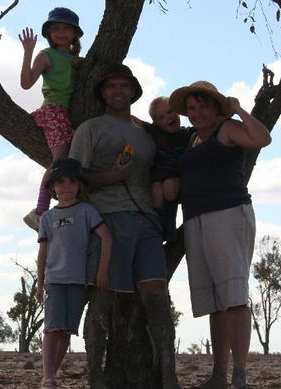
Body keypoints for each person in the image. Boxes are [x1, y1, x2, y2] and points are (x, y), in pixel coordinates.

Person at [69, 63, 181, 389]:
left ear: (133, 91)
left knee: (158, 297)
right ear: (103, 93)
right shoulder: (90, 129)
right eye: (111, 87)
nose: (118, 91)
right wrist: (111, 177)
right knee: (102, 299)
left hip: (148, 222)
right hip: (109, 221)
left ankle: (168, 375)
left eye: (124, 86)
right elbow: (74, 177)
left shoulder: (147, 133)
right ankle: (96, 377)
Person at [169, 81, 271, 389]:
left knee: (234, 299)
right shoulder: (190, 140)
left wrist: (237, 108)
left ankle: (239, 376)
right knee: (215, 301)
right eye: (191, 108)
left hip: (228, 214)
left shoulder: (228, 128)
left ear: (216, 107)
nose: (197, 113)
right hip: (195, 221)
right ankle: (218, 375)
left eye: (203, 106)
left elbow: (262, 138)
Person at [36, 158, 112, 389]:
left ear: (80, 185)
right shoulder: (47, 218)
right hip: (55, 281)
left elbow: (107, 238)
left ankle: (51, 376)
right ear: (52, 188)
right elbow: (43, 252)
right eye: (60, 182)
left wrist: (102, 271)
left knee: (66, 332)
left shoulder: (87, 210)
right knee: (51, 329)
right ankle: (48, 378)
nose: (65, 186)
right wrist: (40, 285)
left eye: (71, 182)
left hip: (79, 281)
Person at [20, 7, 84, 230]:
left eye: (67, 28)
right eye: (56, 28)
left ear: (75, 33)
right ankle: (39, 210)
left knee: (69, 158)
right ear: (48, 33)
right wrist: (29, 52)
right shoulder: (46, 56)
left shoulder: (73, 59)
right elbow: (26, 83)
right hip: (53, 111)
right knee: (59, 162)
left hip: (66, 114)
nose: (61, 32)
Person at [144, 96, 195, 242]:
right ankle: (159, 227)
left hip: (177, 177)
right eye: (162, 117)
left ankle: (169, 229)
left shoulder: (189, 133)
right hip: (158, 176)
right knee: (156, 190)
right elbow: (137, 122)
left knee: (168, 187)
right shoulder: (156, 132)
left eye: (171, 111)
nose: (168, 117)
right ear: (156, 123)